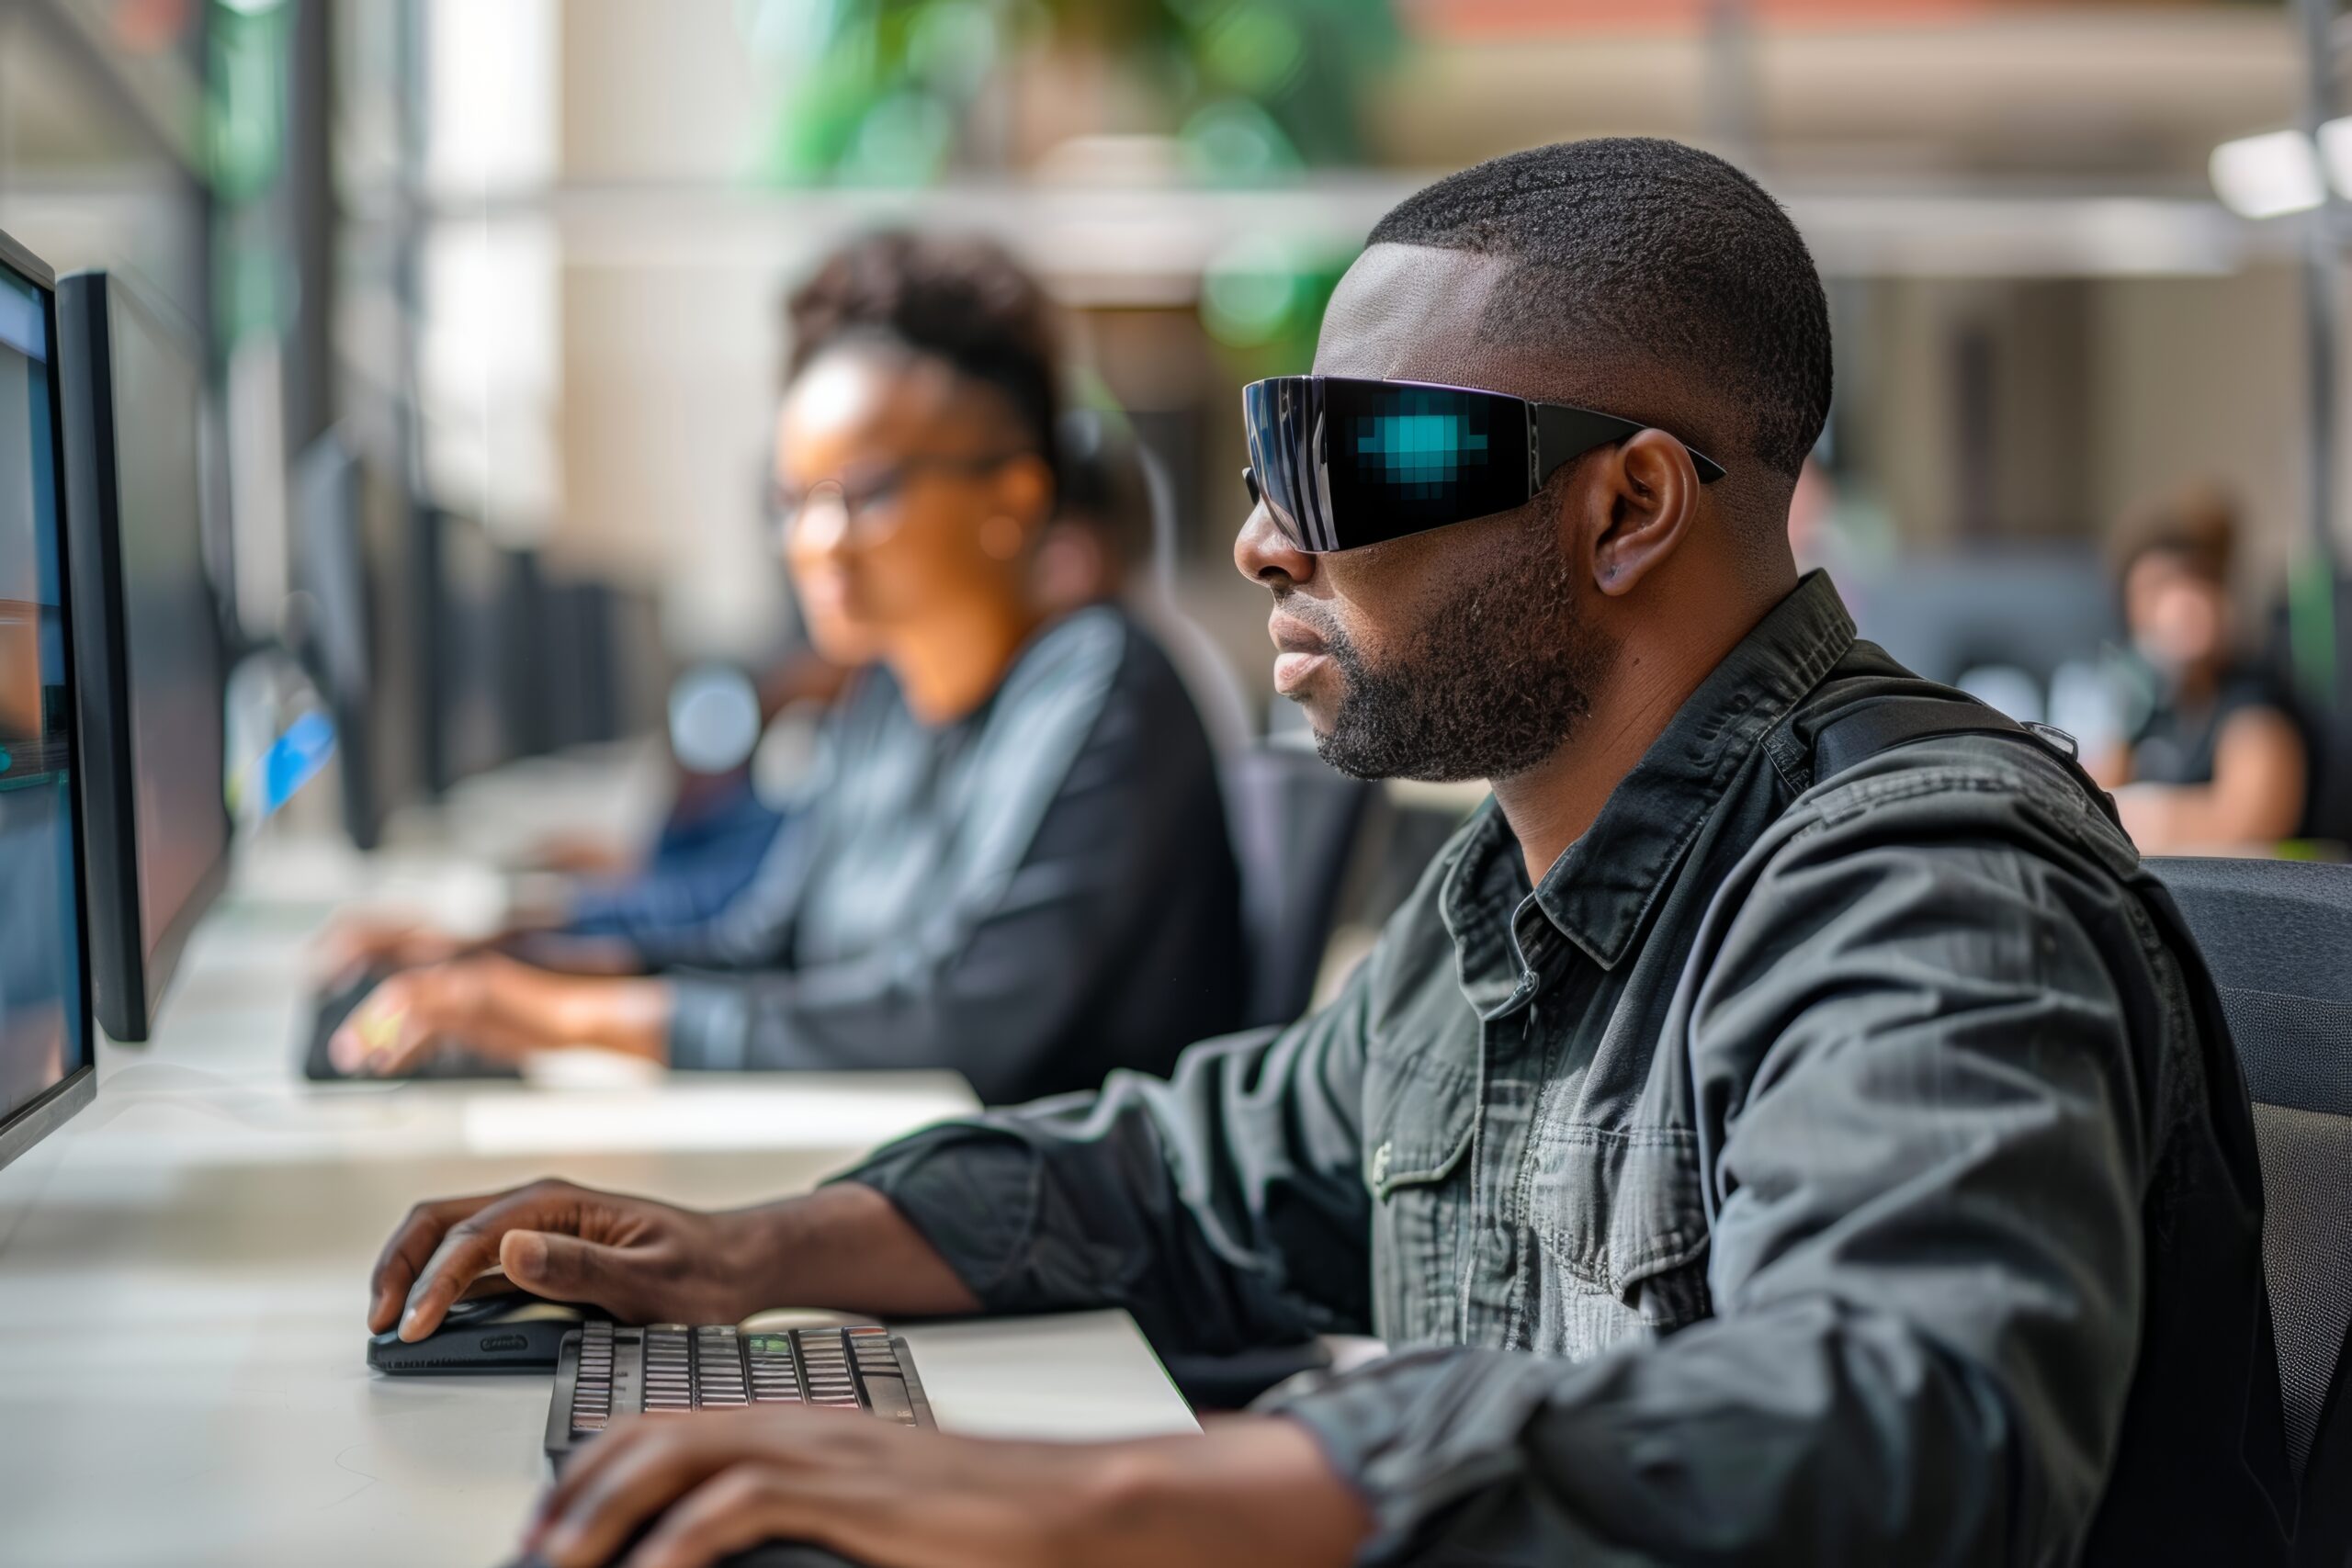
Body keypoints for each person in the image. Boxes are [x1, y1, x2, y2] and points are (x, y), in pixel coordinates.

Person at [368, 140, 2290, 1568]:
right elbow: (1184, 1167)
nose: (1261, 542)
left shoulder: (1921, 891)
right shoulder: (1505, 890)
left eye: (1341, 457)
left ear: (1625, 504)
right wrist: (745, 1252)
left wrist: (1082, 1490)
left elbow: (1900, 1425)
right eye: (1260, 463)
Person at [323, 231, 1246, 1104]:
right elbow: (766, 939)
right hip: (903, 1185)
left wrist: (565, 1017)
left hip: (1051, 1240)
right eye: (792, 499)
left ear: (1015, 497)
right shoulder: (888, 694)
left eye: (868, 493)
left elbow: (959, 1021)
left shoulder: (1104, 687)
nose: (816, 543)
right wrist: (497, 960)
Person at [2088, 488, 2310, 852]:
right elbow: (2085, 789)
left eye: (2194, 583)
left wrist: (2123, 814)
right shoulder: (2152, 705)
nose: (2180, 605)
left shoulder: (2254, 704)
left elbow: (2243, 823)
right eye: (2157, 588)